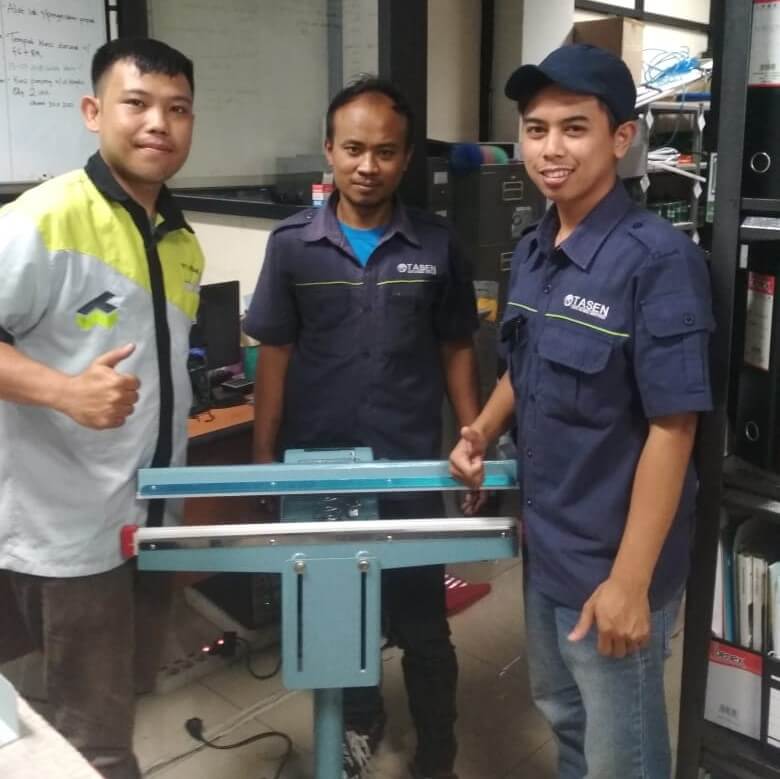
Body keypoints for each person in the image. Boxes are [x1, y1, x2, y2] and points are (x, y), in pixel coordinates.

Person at [449, 44, 714, 778]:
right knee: (565, 717)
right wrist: (482, 429)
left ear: (621, 137)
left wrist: (630, 582)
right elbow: (525, 366)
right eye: (536, 130)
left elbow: (674, 427)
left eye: (575, 128)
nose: (550, 149)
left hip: (612, 559)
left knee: (621, 754)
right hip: (548, 545)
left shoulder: (657, 261)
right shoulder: (536, 249)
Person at [244, 76, 481, 779]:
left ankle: (438, 755)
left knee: (424, 629)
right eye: (353, 149)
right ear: (329, 149)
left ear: (405, 159)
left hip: (409, 472)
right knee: (337, 621)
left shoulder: (437, 243)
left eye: (384, 151)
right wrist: (263, 458)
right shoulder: (293, 245)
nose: (367, 166)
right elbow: (274, 355)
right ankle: (358, 721)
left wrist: (473, 436)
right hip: (320, 471)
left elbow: (456, 347)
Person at [0, 38, 203, 779]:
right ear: (93, 112)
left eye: (177, 109)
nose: (158, 124)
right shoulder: (42, 219)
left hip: (149, 520)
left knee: (121, 699)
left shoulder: (179, 236)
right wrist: (65, 391)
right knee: (98, 742)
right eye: (137, 104)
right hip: (71, 533)